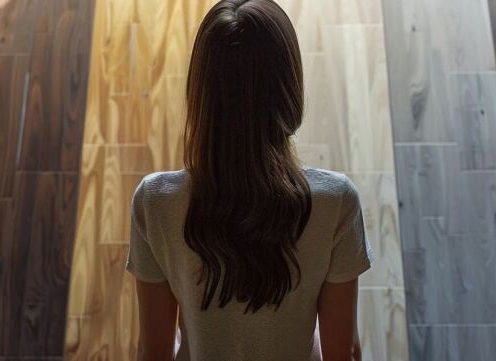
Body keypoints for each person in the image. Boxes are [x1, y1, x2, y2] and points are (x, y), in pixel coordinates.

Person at [126, 0, 374, 360]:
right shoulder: (336, 201)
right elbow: (343, 353)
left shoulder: (154, 200)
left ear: (201, 94)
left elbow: (154, 352)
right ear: (289, 90)